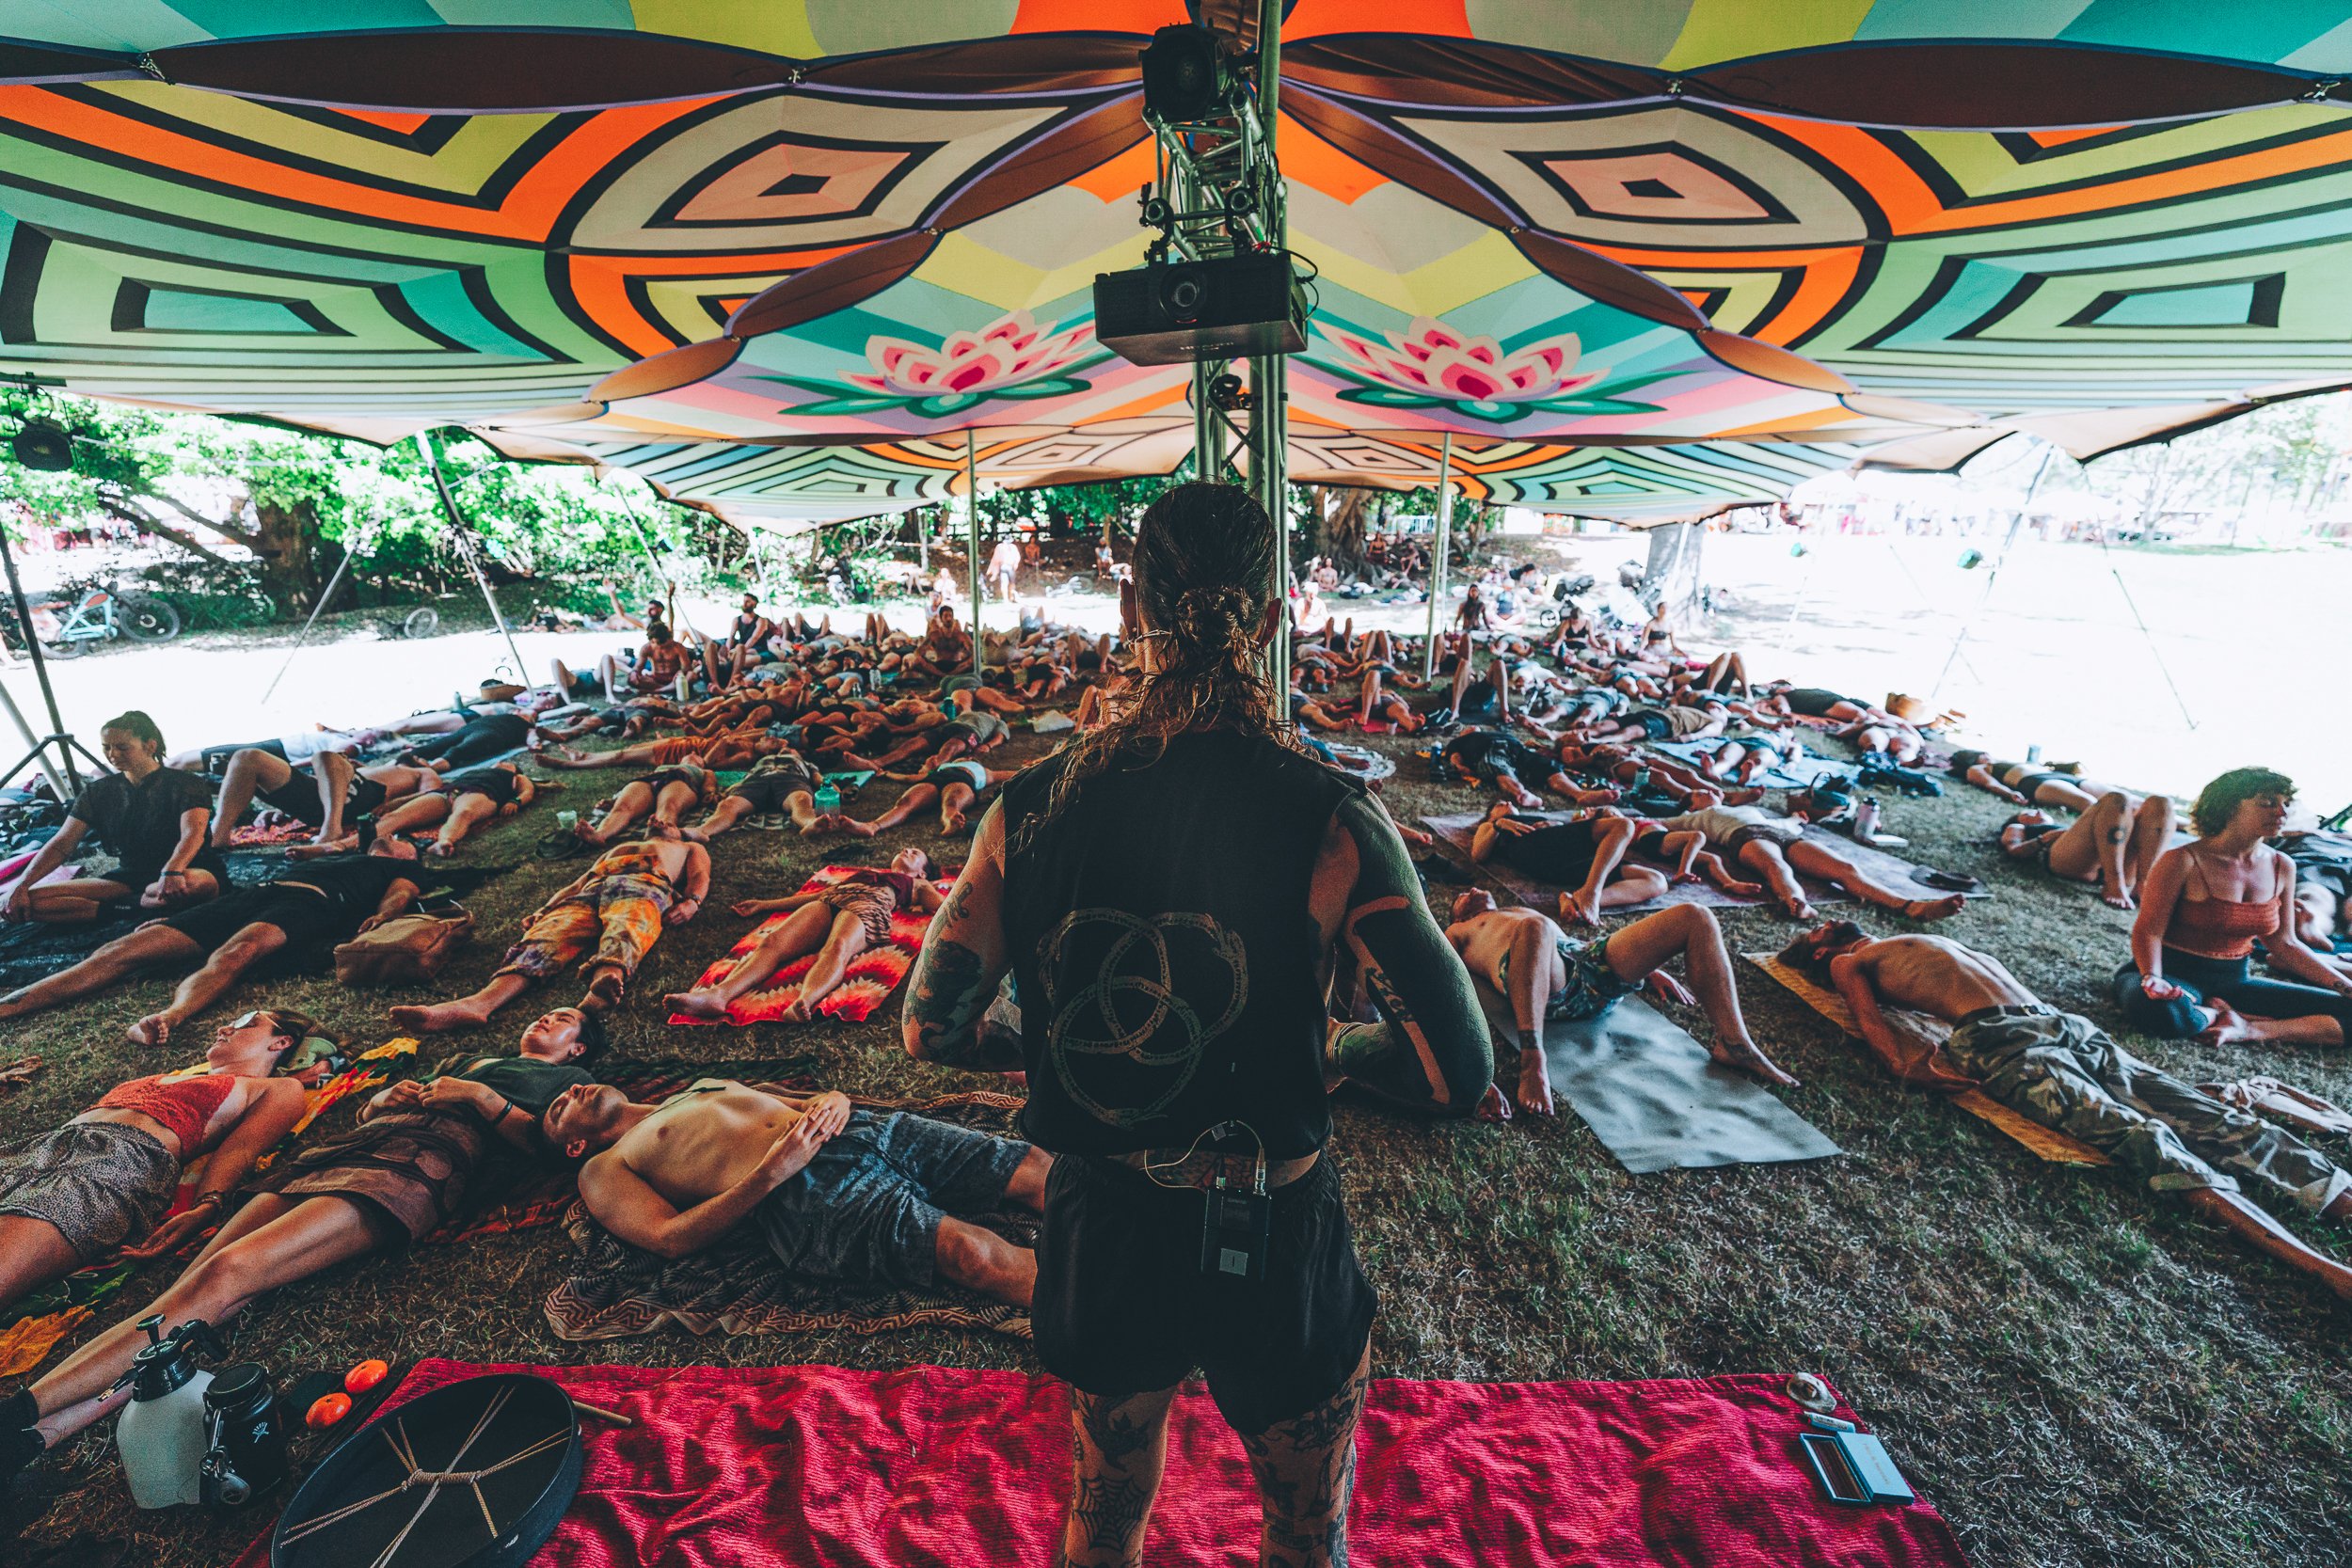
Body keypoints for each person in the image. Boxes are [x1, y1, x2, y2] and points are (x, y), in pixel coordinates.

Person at [898, 483, 1491, 1568]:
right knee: (1306, 1540)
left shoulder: (1025, 810)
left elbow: (930, 1028)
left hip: (1109, 1221)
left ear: (1130, 611)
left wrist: (1054, 1041)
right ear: (1274, 619)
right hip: (1273, 1218)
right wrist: (1334, 1046)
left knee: (1106, 1517)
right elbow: (1461, 1071)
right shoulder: (1335, 821)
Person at [0, 1009, 604, 1479]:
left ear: (579, 1050)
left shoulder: (572, 1081)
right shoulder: (476, 1058)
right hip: (345, 1152)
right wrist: (382, 1099)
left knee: (227, 1275)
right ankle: (37, 1436)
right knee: (191, 1294)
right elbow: (374, 1111)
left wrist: (478, 1100)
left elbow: (555, 1147)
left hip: (417, 1165)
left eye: (564, 1020)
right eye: (545, 1013)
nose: (546, 1019)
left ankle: (20, 1412)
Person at [1786, 921, 2352, 1300]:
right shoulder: (1847, 963)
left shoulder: (1906, 936)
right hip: (2000, 1040)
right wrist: (1901, 1064)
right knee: (2144, 1138)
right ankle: (2322, 1269)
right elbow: (1868, 1018)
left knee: (2214, 1116)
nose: (1824, 922)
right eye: (1815, 928)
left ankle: (2340, 1200)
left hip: (2067, 1025)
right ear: (1820, 950)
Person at [555, 1083, 1046, 1307]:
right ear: (574, 1145)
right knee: (972, 1253)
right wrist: (772, 1172)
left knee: (1037, 1169)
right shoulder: (602, 1168)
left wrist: (834, 1100)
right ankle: (1104, 1310)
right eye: (559, 1108)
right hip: (806, 1193)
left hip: (860, 1130)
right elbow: (668, 1238)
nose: (573, 1088)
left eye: (570, 1087)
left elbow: (808, 1100)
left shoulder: (697, 1087)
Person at [0, 1008, 314, 1315]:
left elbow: (240, 1151)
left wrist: (207, 1206)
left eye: (246, 1023)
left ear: (281, 1042)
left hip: (111, 1165)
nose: (224, 1029)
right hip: (34, 1150)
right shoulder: (168, 1077)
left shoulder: (276, 1088)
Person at [0, 839, 424, 1046]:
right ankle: (9, 1007)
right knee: (119, 952)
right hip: (255, 892)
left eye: (400, 841)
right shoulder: (340, 854)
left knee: (237, 953)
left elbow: (402, 892)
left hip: (309, 904)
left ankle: (171, 1016)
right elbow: (309, 849)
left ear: (409, 854)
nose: (389, 838)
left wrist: (387, 913)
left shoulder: (396, 868)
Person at [1445, 890, 1793, 1117]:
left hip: (1586, 961)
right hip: (1545, 985)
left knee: (1695, 915)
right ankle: (1532, 1058)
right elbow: (1447, 973)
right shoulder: (1460, 929)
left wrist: (1648, 965)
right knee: (1537, 927)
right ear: (1456, 911)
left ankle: (1735, 1042)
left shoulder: (1515, 910)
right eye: (1464, 894)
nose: (1473, 890)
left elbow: (1573, 943)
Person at [2115, 768, 2352, 1049]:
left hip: (2234, 981)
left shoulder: (2282, 866)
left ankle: (2251, 1028)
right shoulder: (2182, 860)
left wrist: (2344, 986)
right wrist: (2152, 978)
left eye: (2286, 803)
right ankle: (2214, 1012)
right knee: (2160, 1012)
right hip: (2171, 974)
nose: (2281, 811)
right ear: (2229, 807)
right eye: (2266, 803)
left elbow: (2285, 943)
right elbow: (2149, 931)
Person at [390, 836, 708, 1028]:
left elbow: (699, 875)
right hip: (594, 888)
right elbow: (577, 883)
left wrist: (692, 902)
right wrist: (545, 909)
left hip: (645, 885)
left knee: (629, 924)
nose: (659, 819)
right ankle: (478, 1004)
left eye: (668, 819)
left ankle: (604, 980)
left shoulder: (687, 845)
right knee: (545, 938)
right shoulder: (620, 848)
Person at [666, 850, 943, 1023]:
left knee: (838, 946)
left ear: (922, 871)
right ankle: (717, 996)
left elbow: (943, 905)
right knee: (772, 943)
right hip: (832, 899)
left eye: (915, 852)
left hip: (869, 905)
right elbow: (818, 894)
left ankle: (805, 1001)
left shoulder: (918, 883)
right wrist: (765, 904)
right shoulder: (866, 873)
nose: (906, 849)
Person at [4, 712, 225, 924]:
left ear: (150, 746)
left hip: (187, 870)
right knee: (25, 901)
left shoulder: (186, 784)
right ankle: (129, 908)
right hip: (129, 879)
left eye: (122, 747)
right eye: (106, 747)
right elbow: (62, 843)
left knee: (195, 885)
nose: (113, 754)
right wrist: (22, 884)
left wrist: (172, 870)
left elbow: (192, 835)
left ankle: (128, 905)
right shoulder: (98, 791)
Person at [1656, 799, 1965, 922]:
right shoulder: (1696, 817)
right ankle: (1796, 902)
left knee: (1845, 869)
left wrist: (1794, 819)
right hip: (1746, 837)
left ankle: (1909, 906)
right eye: (1697, 792)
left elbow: (1790, 824)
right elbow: (1654, 823)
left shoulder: (1748, 806)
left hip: (1782, 832)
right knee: (1776, 868)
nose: (1705, 792)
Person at [1470, 800, 1667, 927]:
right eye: (1499, 804)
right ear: (1490, 815)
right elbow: (1478, 854)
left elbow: (1570, 837)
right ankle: (1592, 891)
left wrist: (1574, 824)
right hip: (1536, 848)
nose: (1507, 801)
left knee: (1656, 880)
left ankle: (1577, 901)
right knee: (1624, 825)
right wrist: (1498, 824)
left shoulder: (1539, 819)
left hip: (1562, 864)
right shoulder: (1492, 825)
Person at [1998, 791, 2176, 911]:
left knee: (2161, 803)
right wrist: (2043, 839)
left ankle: (2144, 884)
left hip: (2116, 860)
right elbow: (2013, 850)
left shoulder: (2076, 828)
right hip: (2068, 861)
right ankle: (2114, 883)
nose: (2036, 811)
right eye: (2028, 814)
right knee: (2116, 799)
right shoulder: (2019, 827)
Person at [358, 761, 539, 857]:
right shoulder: (473, 771)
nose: (502, 763)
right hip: (448, 792)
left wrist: (515, 801)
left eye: (507, 763)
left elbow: (528, 790)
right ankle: (345, 844)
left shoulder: (514, 776)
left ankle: (443, 842)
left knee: (464, 813)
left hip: (484, 793)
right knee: (398, 815)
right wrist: (396, 802)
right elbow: (432, 791)